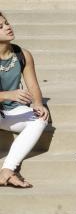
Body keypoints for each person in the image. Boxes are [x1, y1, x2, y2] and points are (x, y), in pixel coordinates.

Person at [0, 11, 49, 188]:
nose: (8, 27)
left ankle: (7, 170)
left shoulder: (22, 54)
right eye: (1, 27)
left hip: (12, 112)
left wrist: (37, 104)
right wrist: (7, 95)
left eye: (6, 23)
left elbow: (33, 86)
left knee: (40, 119)